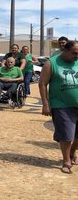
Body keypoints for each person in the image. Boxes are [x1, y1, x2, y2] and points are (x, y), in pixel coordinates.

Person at [39, 40, 78, 174]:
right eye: (74, 53)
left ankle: (73, 151)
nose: (76, 56)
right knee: (66, 135)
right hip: (62, 105)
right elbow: (42, 83)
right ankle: (66, 161)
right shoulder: (52, 63)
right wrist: (45, 104)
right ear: (65, 50)